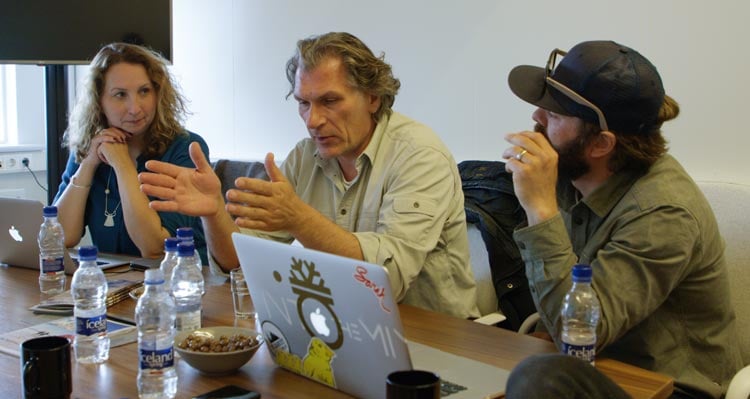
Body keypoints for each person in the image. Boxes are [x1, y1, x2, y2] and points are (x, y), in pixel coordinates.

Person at [139, 32, 479, 319]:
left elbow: (387, 280)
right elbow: (239, 264)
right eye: (304, 103)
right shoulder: (305, 156)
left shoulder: (419, 155)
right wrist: (214, 212)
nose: (313, 120)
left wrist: (298, 218)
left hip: (434, 333)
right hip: (345, 325)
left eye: (330, 101)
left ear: (373, 97)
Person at [501, 40, 741, 398]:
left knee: (537, 379)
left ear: (601, 144)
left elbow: (579, 333)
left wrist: (540, 210)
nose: (537, 117)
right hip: (596, 370)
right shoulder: (572, 176)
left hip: (670, 388)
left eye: (555, 114)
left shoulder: (663, 213)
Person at [54, 42, 209, 264]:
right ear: (99, 101)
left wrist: (122, 164)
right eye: (120, 95)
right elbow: (60, 238)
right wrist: (88, 164)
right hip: (114, 283)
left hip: (181, 281)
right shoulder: (90, 147)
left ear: (158, 94)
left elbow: (155, 249)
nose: (135, 108)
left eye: (144, 91)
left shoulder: (186, 147)